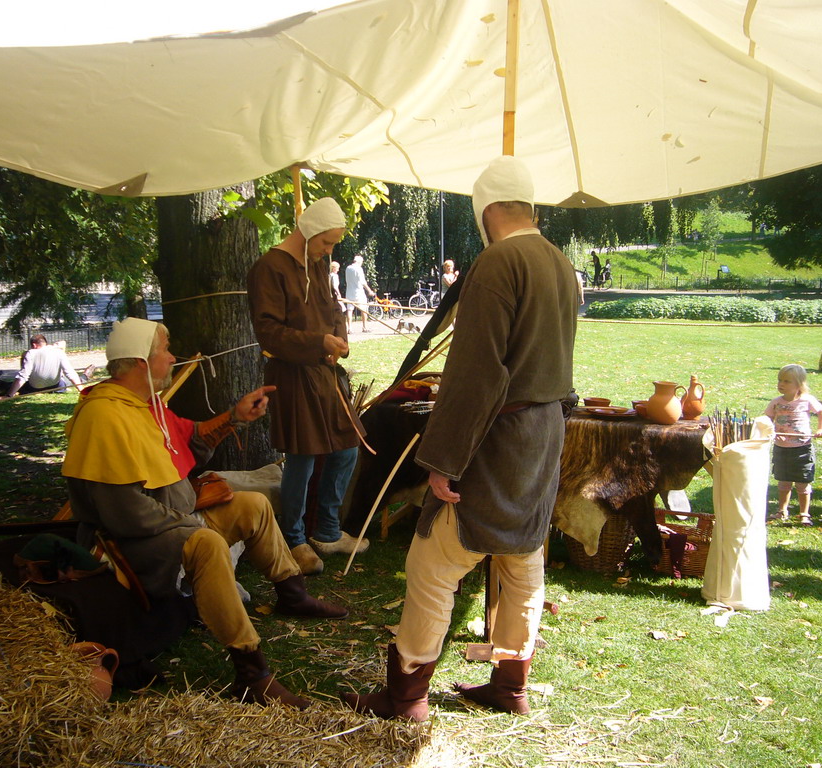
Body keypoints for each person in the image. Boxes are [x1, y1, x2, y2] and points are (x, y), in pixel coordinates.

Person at [342, 156, 579, 721]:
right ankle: (510, 684)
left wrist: (444, 461)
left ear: (487, 209)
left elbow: (476, 375)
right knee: (522, 558)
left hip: (499, 437)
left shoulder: (499, 262)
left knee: (434, 562)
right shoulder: (559, 263)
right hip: (543, 434)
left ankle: (406, 696)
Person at [62, 317, 348, 709]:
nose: (172, 357)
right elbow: (124, 515)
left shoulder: (146, 406)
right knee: (207, 544)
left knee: (254, 505)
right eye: (165, 350)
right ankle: (252, 671)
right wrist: (189, 523)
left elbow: (189, 440)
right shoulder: (104, 416)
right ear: (142, 363)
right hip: (131, 542)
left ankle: (292, 594)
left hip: (170, 521)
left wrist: (235, 416)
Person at [246, 197, 368, 577]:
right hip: (293, 374)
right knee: (302, 456)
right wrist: (318, 344)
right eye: (326, 242)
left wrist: (339, 339)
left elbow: (333, 308)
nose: (329, 251)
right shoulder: (269, 268)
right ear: (309, 231)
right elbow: (268, 332)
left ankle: (328, 532)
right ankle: (294, 538)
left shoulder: (315, 263)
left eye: (333, 244)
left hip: (324, 373)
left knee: (347, 448)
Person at [763, 364, 822, 526]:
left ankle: (804, 513)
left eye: (786, 381)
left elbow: (821, 412)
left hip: (802, 448)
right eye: (779, 380)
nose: (781, 384)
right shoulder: (776, 402)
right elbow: (767, 419)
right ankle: (782, 510)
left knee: (802, 482)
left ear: (799, 384)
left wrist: (821, 428)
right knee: (783, 482)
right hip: (781, 448)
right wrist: (766, 430)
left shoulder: (806, 400)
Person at [4, 334, 86, 397]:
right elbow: (70, 372)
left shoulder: (31, 353)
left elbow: (23, 376)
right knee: (66, 380)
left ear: (34, 345)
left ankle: (0, 384)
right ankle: (85, 376)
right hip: (56, 386)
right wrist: (81, 390)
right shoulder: (58, 351)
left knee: (11, 384)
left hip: (34, 388)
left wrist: (9, 395)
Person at [344, 253, 375, 332]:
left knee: (350, 310)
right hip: (358, 292)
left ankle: (349, 328)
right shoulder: (358, 269)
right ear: (359, 262)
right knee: (364, 309)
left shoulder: (348, 268)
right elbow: (363, 282)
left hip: (349, 292)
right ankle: (364, 327)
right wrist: (370, 291)